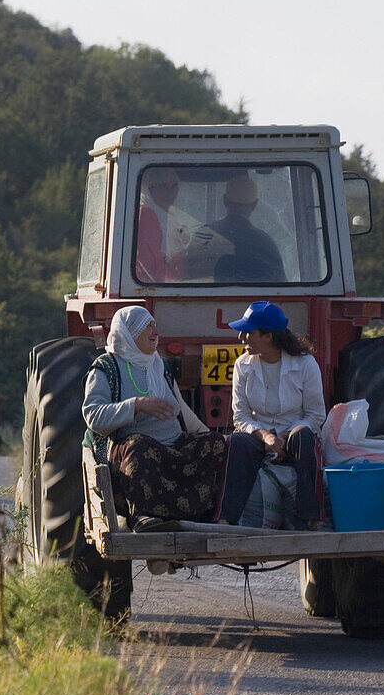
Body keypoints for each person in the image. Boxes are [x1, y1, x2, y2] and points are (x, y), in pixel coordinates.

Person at [82, 306, 228, 529]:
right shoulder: (106, 368)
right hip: (132, 450)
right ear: (130, 332)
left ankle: (204, 516)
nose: (155, 331)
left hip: (171, 446)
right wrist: (137, 405)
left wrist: (210, 435)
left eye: (155, 325)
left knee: (215, 444)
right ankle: (143, 516)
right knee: (140, 447)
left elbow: (182, 410)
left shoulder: (159, 364)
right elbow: (94, 416)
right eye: (147, 326)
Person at [217, 301, 326, 529]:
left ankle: (312, 518)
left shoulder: (306, 364)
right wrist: (266, 437)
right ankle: (227, 517)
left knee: (304, 437)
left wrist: (284, 437)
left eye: (248, 333)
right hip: (260, 435)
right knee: (236, 441)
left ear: (267, 337)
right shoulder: (242, 365)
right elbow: (241, 416)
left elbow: (315, 416)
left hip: (294, 433)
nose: (242, 339)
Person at [206, 176, 285, 282]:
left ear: (225, 200)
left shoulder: (203, 235)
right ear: (254, 205)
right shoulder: (265, 243)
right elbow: (280, 283)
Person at [136, 168, 191, 282]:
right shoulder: (146, 215)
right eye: (162, 187)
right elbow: (150, 265)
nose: (169, 192)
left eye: (174, 186)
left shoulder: (173, 215)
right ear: (149, 189)